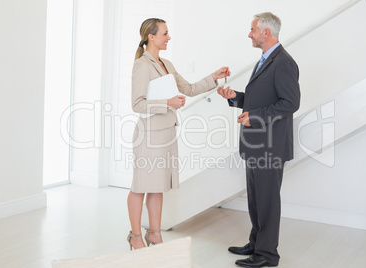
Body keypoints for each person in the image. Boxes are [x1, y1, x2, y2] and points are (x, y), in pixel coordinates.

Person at [127, 18, 229, 250]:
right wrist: (168, 102)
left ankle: (154, 234)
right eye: (164, 33)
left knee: (158, 186)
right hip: (148, 136)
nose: (168, 37)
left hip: (166, 134)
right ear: (151, 37)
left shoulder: (167, 64)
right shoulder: (142, 65)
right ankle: (135, 236)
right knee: (141, 186)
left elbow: (190, 89)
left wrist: (214, 76)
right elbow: (137, 104)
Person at [217, 12, 300, 267]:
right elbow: (263, 99)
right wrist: (236, 98)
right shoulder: (265, 59)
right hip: (256, 145)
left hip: (270, 146)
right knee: (256, 199)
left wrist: (255, 117)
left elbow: (290, 103)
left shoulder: (283, 62)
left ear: (265, 32)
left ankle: (267, 255)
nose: (249, 34)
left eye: (252, 30)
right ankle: (256, 244)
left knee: (267, 201)